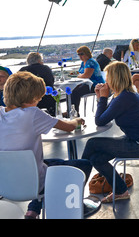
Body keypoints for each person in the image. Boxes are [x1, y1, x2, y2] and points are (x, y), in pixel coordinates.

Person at [0, 71, 90, 219]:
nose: (39, 101)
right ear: (32, 98)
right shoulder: (32, 113)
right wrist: (77, 120)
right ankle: (68, 207)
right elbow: (69, 127)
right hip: (35, 183)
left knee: (45, 164)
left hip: (5, 184)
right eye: (38, 98)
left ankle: (33, 211)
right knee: (83, 164)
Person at [82, 61, 139, 204]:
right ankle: (121, 191)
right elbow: (105, 116)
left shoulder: (124, 98)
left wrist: (103, 98)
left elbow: (100, 121)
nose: (106, 80)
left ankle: (75, 185)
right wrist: (100, 98)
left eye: (108, 76)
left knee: (92, 143)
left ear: (115, 78)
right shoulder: (124, 95)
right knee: (96, 159)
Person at [71, 45, 105, 113]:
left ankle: (74, 111)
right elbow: (81, 74)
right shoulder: (83, 63)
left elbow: (86, 75)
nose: (80, 56)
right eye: (79, 54)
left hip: (95, 85)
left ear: (87, 53)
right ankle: (72, 110)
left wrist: (77, 76)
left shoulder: (90, 62)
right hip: (87, 83)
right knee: (71, 90)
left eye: (82, 54)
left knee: (75, 91)